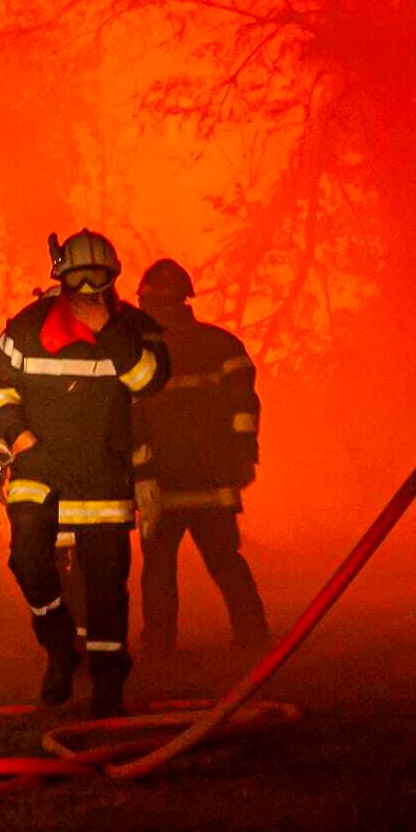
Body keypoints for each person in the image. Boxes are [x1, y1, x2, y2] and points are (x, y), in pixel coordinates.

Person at [0, 229, 169, 717]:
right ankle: (60, 648)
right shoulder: (27, 327)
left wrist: (107, 330)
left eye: (98, 277)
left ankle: (107, 683)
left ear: (113, 278)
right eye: (77, 277)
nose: (87, 287)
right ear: (59, 278)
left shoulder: (135, 331)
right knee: (27, 562)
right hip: (39, 470)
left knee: (106, 588)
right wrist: (14, 440)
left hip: (103, 476)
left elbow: (148, 383)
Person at [130, 258, 270, 658]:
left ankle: (159, 644)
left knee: (159, 568)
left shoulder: (139, 357)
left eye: (147, 304)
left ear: (161, 305)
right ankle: (252, 633)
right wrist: (244, 456)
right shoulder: (222, 346)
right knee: (225, 561)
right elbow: (245, 407)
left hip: (163, 485)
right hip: (209, 481)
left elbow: (131, 419)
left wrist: (139, 476)